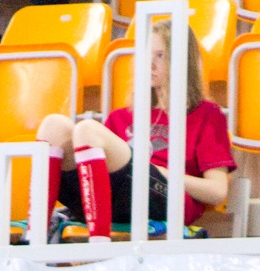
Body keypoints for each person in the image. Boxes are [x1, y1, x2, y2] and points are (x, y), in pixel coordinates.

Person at [34, 21, 232, 242]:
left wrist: (164, 173)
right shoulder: (121, 117)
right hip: (105, 198)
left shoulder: (207, 114)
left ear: (183, 61)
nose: (151, 65)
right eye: (146, 56)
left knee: (88, 130)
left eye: (161, 56)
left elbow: (217, 192)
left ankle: (98, 244)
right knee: (53, 126)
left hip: (167, 200)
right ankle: (34, 235)